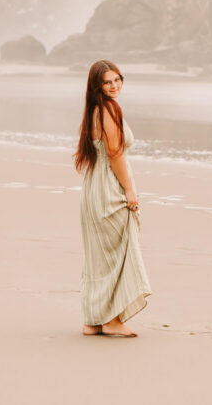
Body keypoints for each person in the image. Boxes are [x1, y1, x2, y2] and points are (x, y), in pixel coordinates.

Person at [74, 60, 151, 337]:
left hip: (93, 188)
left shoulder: (93, 110)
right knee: (118, 252)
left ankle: (93, 321)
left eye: (117, 80)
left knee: (99, 256)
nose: (113, 86)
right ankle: (112, 320)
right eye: (107, 82)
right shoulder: (107, 109)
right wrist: (129, 190)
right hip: (109, 188)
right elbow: (116, 154)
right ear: (98, 86)